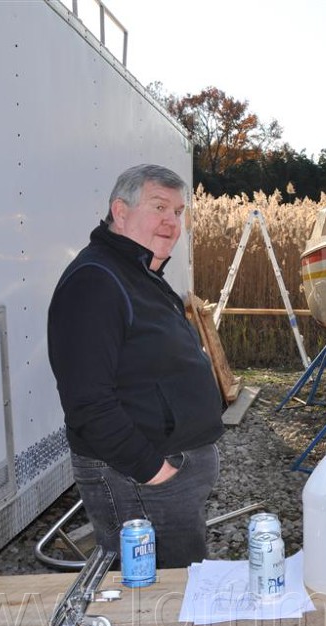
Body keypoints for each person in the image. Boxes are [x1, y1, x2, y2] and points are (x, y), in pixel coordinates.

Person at [47, 164, 224, 568]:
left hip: (162, 476)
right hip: (141, 478)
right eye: (159, 206)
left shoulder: (138, 272)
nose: (171, 221)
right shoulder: (95, 282)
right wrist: (156, 473)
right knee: (154, 599)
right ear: (120, 211)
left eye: (178, 212)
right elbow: (88, 403)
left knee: (177, 589)